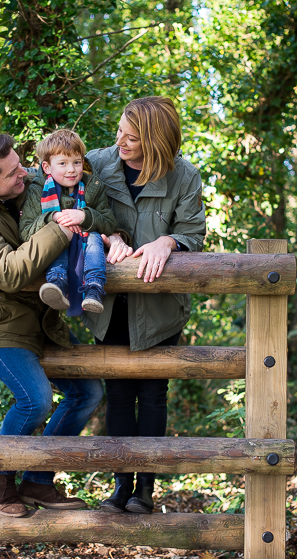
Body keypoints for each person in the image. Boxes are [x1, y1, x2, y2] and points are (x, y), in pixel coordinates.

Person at [0, 132, 104, 518]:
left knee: (87, 393)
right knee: (35, 401)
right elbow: (9, 271)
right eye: (14, 172)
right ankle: (0, 480)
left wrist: (107, 233)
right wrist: (65, 229)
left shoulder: (28, 184)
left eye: (22, 164)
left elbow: (85, 192)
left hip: (39, 321)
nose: (26, 173)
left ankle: (38, 480)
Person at [82, 97, 206, 514]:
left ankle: (145, 490)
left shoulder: (184, 175)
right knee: (117, 394)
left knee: (153, 394)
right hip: (109, 304)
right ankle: (120, 487)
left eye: (132, 137)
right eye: (119, 131)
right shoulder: (97, 163)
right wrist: (105, 234)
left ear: (155, 142)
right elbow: (73, 210)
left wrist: (166, 241)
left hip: (160, 308)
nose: (120, 141)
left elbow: (192, 231)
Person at [20, 129, 119, 315]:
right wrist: (53, 218)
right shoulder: (37, 190)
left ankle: (94, 287)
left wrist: (85, 216)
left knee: (94, 236)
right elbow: (26, 232)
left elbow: (109, 223)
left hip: (87, 246)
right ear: (47, 167)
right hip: (56, 251)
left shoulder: (93, 186)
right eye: (63, 163)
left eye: (77, 162)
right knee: (57, 235)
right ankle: (56, 282)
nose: (71, 169)